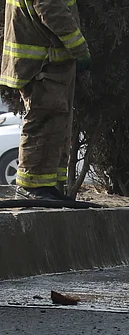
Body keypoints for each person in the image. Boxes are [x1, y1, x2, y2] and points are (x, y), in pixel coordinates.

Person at [1, 0, 90, 201]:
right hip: (41, 65)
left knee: (54, 125)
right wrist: (79, 48)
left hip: (46, 64)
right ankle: (32, 187)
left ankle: (45, 186)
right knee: (43, 121)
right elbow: (51, 8)